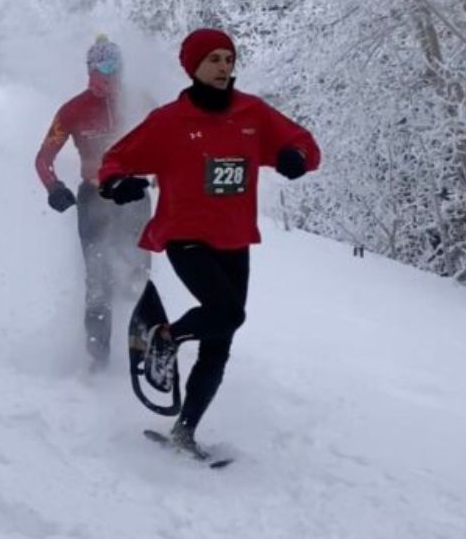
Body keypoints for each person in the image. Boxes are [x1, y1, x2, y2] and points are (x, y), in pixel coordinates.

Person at [97, 28, 320, 455]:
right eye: (214, 59)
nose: (223, 67)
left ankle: (184, 433)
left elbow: (303, 143)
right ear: (194, 66)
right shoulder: (169, 121)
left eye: (228, 58)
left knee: (221, 338)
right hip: (186, 235)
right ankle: (166, 335)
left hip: (234, 239)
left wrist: (296, 158)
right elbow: (117, 159)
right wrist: (116, 183)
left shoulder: (252, 114)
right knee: (228, 311)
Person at [35, 36, 150, 365]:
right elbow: (43, 158)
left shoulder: (141, 101)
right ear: (89, 68)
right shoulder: (73, 110)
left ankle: (142, 348)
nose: (108, 74)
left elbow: (169, 144)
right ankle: (98, 353)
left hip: (134, 197)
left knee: (137, 275)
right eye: (100, 66)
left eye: (114, 65)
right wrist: (53, 187)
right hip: (95, 198)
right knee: (98, 277)